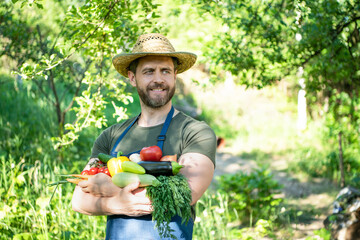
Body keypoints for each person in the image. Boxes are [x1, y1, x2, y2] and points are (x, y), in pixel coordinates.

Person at [71, 33, 217, 240]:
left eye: (165, 71)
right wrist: (117, 203)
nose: (158, 79)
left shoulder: (194, 132)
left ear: (175, 75)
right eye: (149, 71)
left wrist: (109, 189)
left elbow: (184, 195)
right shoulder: (112, 135)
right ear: (132, 77)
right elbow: (78, 201)